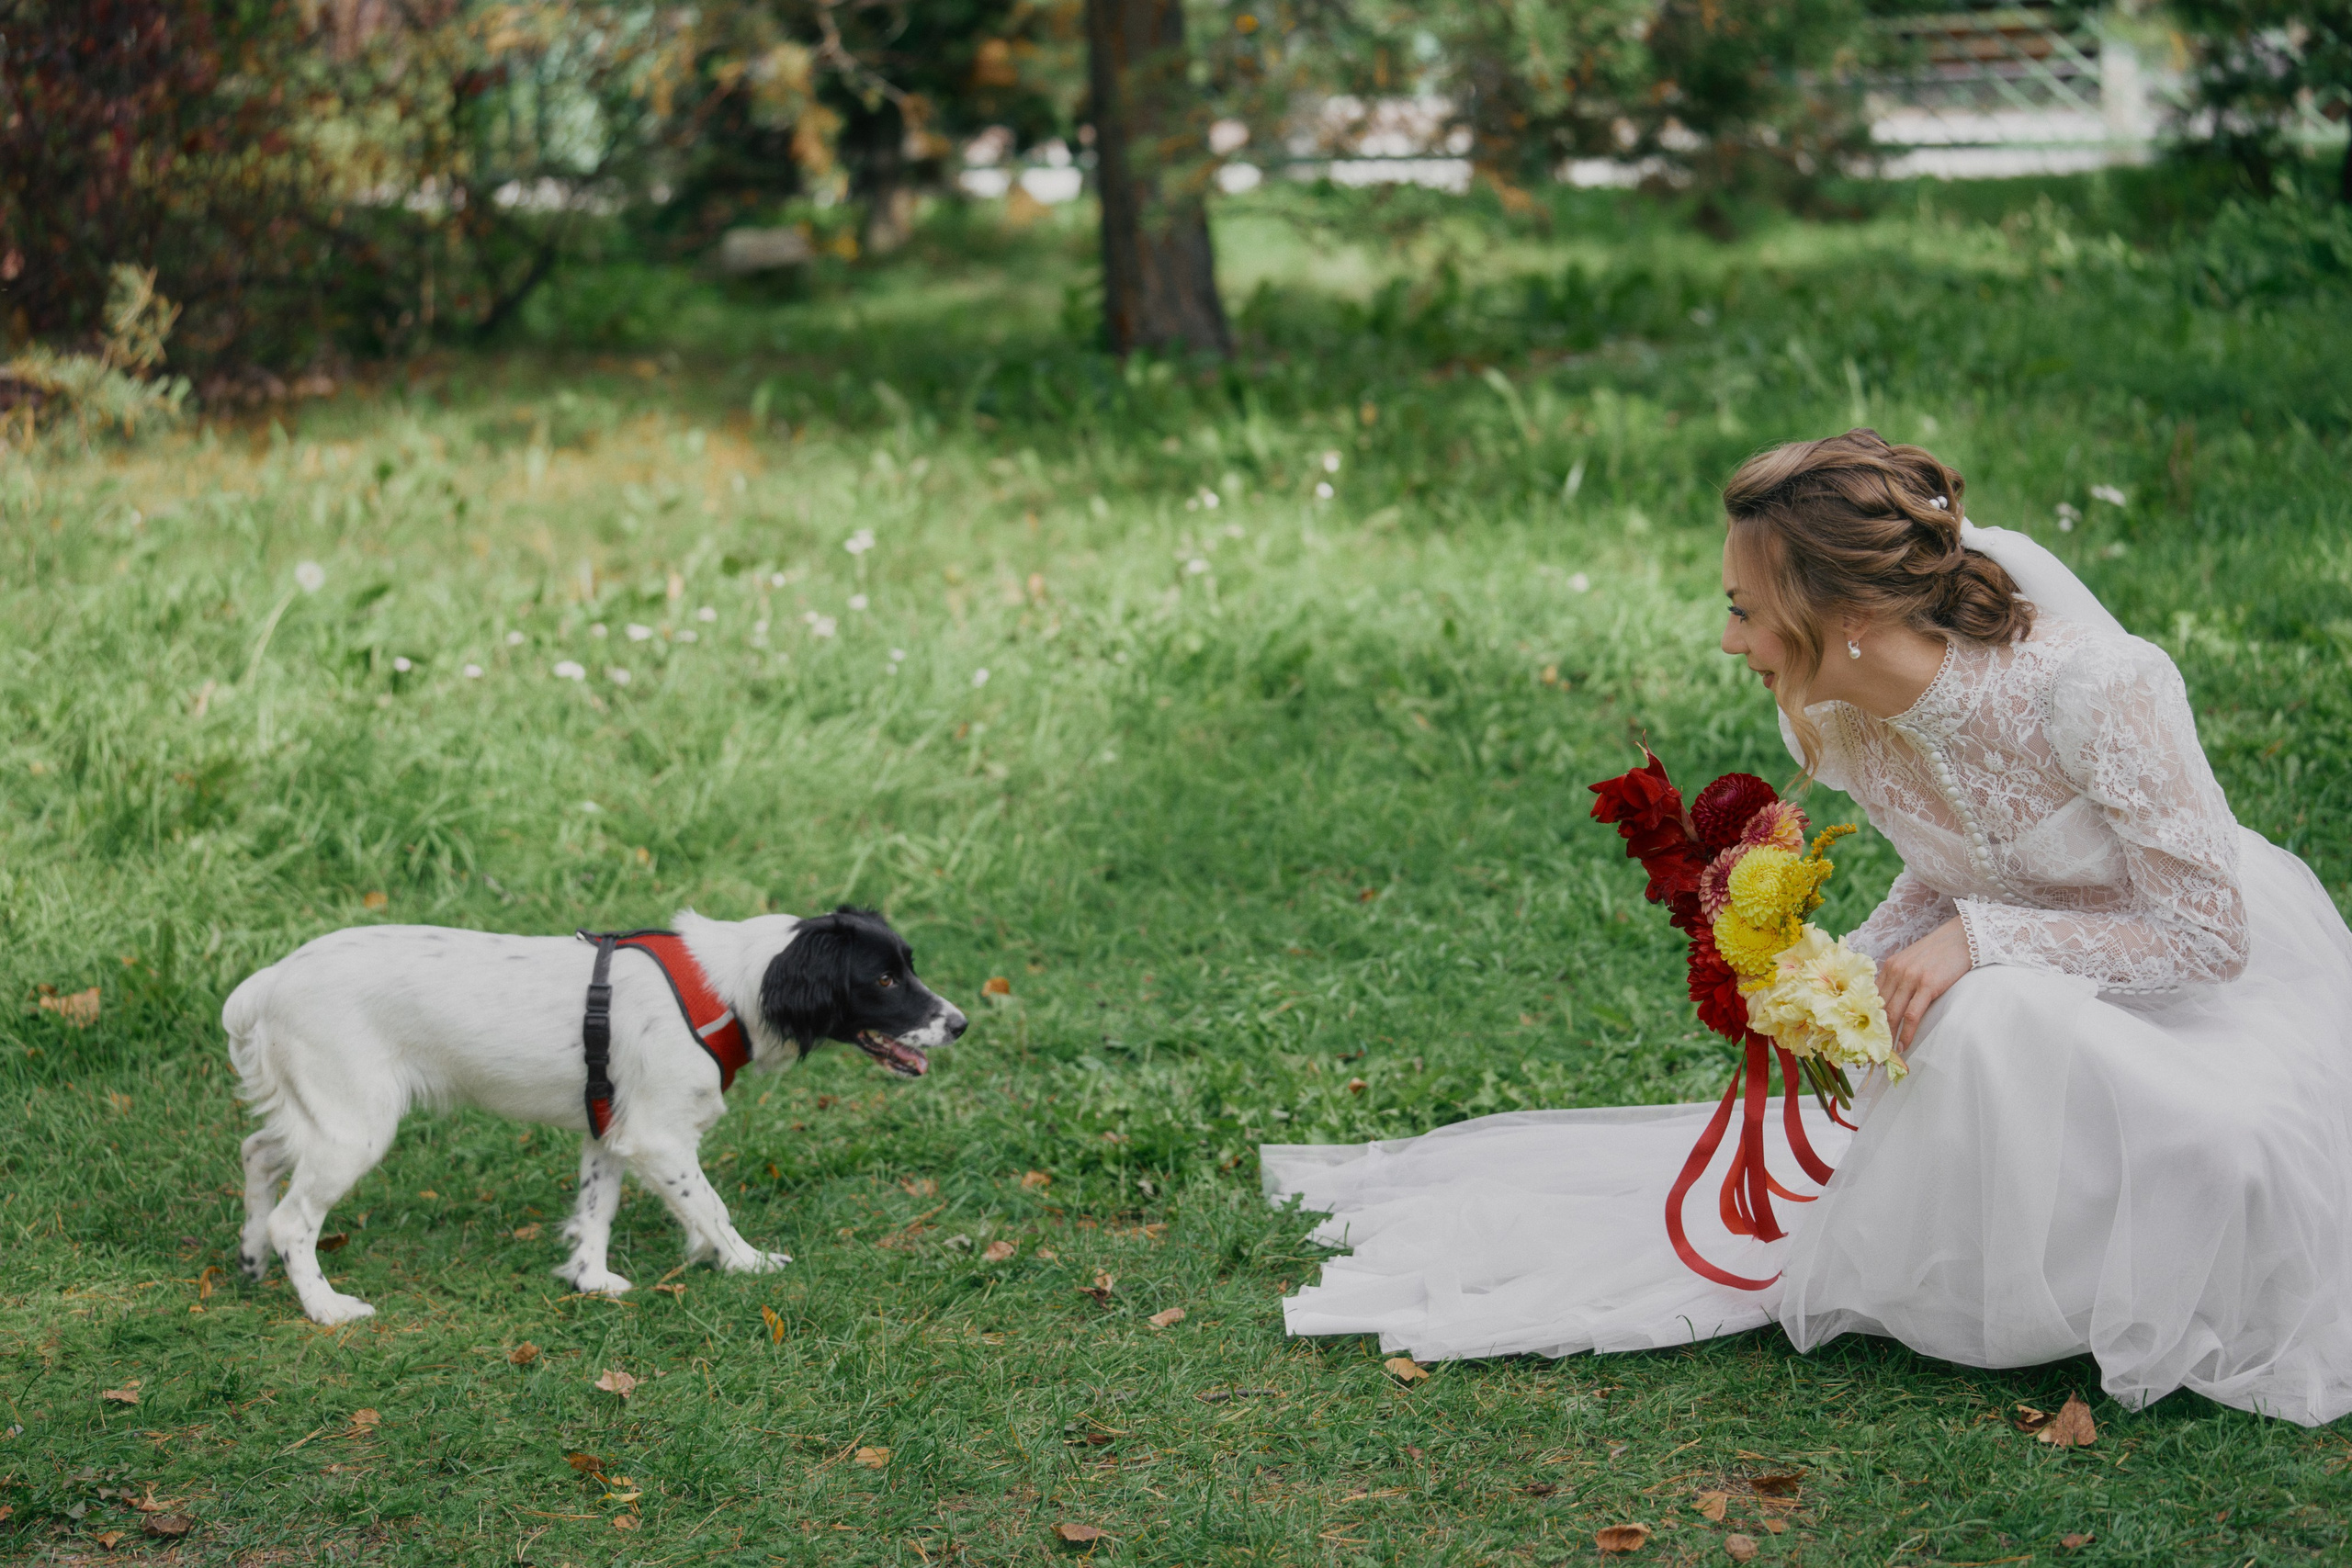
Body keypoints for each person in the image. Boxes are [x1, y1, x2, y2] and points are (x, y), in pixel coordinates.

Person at [1262, 430, 2352, 1426]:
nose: (1729, 637)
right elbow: (1944, 872)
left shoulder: (2093, 688)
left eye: (1743, 608)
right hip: (2047, 994)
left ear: (1852, 619)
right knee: (1973, 1008)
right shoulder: (1831, 705)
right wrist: (1827, 981)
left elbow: (2211, 936)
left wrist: (1979, 941)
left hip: (2205, 996)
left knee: (2065, 1051)